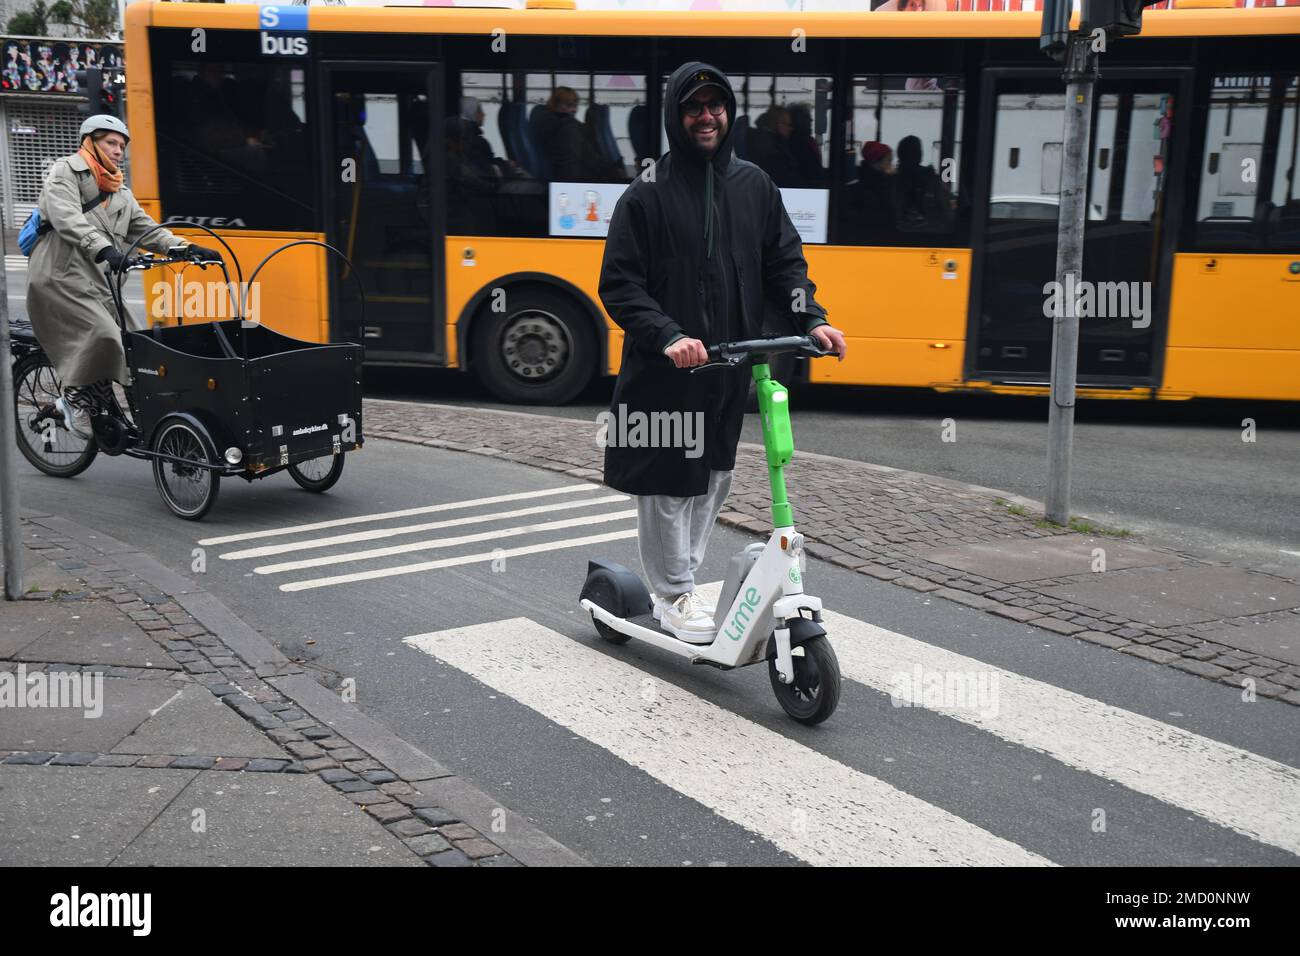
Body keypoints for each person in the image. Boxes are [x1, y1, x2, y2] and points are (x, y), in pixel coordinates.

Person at [598, 62, 847, 642]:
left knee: (713, 476)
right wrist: (667, 335)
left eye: (716, 106)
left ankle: (680, 582)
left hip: (729, 366)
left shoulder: (755, 186)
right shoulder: (647, 193)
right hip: (666, 371)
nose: (707, 117)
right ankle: (673, 594)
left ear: (728, 113)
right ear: (676, 117)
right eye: (694, 107)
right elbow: (621, 284)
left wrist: (811, 316)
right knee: (666, 483)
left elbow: (786, 264)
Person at [26, 115, 221, 439]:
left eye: (122, 145)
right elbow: (67, 218)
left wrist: (187, 248)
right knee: (104, 335)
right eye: (110, 143)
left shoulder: (120, 192)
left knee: (138, 343)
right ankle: (74, 401)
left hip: (99, 283)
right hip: (59, 278)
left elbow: (148, 230)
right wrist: (105, 250)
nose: (118, 151)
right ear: (90, 142)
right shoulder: (65, 172)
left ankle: (140, 417)